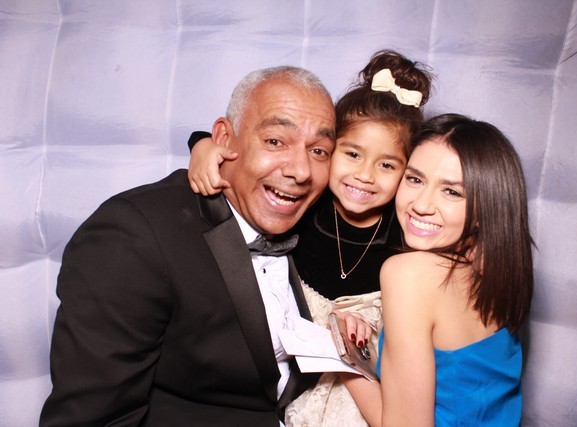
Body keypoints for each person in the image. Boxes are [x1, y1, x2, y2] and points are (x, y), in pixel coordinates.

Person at [39, 65, 370, 426]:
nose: (301, 171)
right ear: (224, 139)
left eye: (319, 151)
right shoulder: (134, 235)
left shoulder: (319, 222)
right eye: (275, 141)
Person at [187, 50, 434, 426]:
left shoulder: (403, 235)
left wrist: (365, 324)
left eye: (387, 165)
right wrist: (204, 148)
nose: (365, 175)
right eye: (352, 154)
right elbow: (231, 145)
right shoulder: (305, 204)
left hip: (363, 385)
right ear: (327, 151)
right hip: (289, 369)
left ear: (407, 172)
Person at [341, 113, 535, 426]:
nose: (421, 205)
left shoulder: (409, 274)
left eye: (452, 192)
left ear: (487, 206)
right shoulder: (502, 270)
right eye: (415, 179)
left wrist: (343, 361)